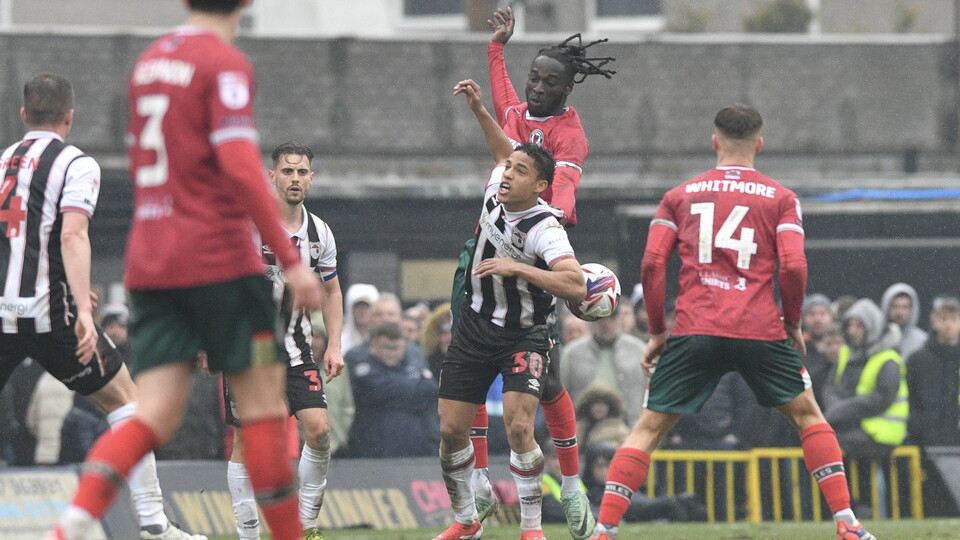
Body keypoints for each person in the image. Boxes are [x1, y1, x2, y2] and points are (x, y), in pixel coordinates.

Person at [47, 2, 325, 539]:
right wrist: (291, 260)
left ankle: (71, 526)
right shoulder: (224, 62)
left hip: (151, 257)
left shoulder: (148, 62)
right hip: (218, 255)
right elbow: (242, 164)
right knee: (266, 410)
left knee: (151, 414)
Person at [589, 106, 876, 540]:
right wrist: (793, 322)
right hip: (759, 328)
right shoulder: (781, 198)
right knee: (809, 418)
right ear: (759, 144)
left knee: (648, 427)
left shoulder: (679, 196)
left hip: (693, 329)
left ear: (714, 141)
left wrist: (657, 331)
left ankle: (604, 530)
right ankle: (847, 524)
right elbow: (794, 267)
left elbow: (651, 263)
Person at [0, 73, 204, 540]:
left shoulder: (3, 161)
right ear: (69, 117)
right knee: (128, 403)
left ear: (23, 115)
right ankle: (154, 525)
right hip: (52, 318)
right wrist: (84, 311)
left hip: (3, 313)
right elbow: (72, 234)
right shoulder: (75, 164)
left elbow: (17, 241)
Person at [455, 8, 616, 539]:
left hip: (535, 254)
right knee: (468, 367)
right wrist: (497, 47)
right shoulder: (517, 113)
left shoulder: (570, 139)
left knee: (544, 381)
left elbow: (564, 200)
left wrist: (544, 214)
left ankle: (571, 487)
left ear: (569, 88)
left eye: (551, 81)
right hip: (485, 250)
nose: (539, 88)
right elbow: (501, 95)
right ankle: (478, 484)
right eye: (535, 78)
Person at [435, 79, 587, 540]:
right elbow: (503, 150)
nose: (506, 174)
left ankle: (531, 528)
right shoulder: (495, 191)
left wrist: (521, 270)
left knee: (521, 428)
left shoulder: (545, 227)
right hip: (476, 328)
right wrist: (481, 110)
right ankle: (467, 519)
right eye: (507, 168)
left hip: (524, 334)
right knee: (449, 434)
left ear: (540, 186)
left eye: (519, 172)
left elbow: (576, 283)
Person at [223, 142, 344, 540]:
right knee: (246, 439)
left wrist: (336, 344)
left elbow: (331, 291)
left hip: (297, 349)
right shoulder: (246, 225)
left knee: (320, 430)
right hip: (249, 349)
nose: (295, 179)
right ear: (271, 177)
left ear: (311, 178)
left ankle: (305, 527)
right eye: (287, 171)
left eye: (302, 172)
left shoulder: (319, 232)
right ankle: (249, 534)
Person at [346, 321, 439, 458]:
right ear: (373, 345)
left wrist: (394, 386)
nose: (392, 353)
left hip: (412, 445)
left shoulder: (414, 359)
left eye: (397, 348)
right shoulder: (360, 362)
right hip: (372, 445)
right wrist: (413, 384)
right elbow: (375, 391)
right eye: (386, 347)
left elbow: (430, 390)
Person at [906, 296, 960, 515]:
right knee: (932, 502)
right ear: (933, 321)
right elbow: (909, 400)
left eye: (953, 318)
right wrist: (919, 429)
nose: (948, 324)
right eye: (943, 318)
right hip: (927, 444)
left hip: (956, 440)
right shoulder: (918, 360)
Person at [560, 307, 648, 424]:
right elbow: (559, 394)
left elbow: (652, 395)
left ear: (619, 319)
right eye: (600, 318)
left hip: (629, 429)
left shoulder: (639, 351)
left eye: (611, 318)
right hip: (582, 430)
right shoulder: (572, 352)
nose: (606, 324)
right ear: (592, 320)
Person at [881, 283, 928, 362]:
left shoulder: (922, 342)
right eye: (895, 306)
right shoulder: (877, 338)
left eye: (905, 307)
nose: (899, 312)